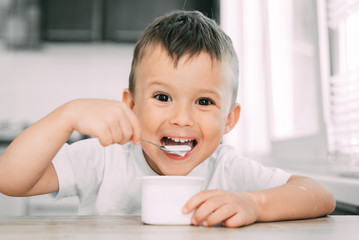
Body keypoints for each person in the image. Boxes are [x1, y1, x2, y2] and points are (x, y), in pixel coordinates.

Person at [0, 10, 335, 227]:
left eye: (204, 101)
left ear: (229, 120)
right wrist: (67, 115)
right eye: (163, 97)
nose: (181, 118)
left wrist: (254, 204)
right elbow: (9, 180)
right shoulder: (104, 158)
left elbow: (320, 195)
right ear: (130, 105)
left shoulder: (227, 168)